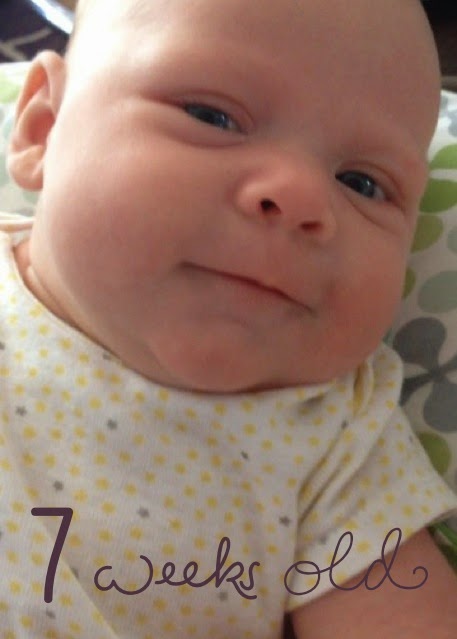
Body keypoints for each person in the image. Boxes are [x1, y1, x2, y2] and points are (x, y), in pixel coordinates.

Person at [1, 0, 457, 637]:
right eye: (211, 116)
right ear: (44, 128)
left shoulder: (338, 438)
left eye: (362, 184)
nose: (299, 195)